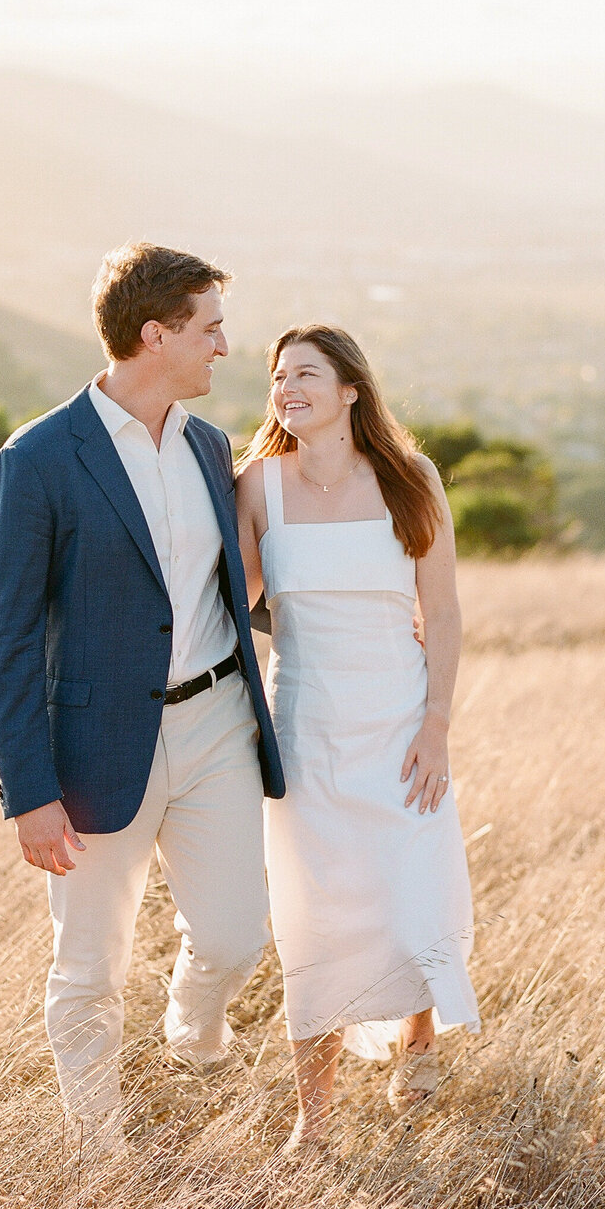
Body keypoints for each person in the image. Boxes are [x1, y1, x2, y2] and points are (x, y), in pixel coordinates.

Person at [0, 243, 284, 1152]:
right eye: (210, 329)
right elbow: (6, 640)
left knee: (234, 939)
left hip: (219, 721)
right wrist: (28, 793)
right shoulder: (36, 460)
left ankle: (192, 1037)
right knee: (91, 963)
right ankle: (97, 1148)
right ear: (156, 335)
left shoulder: (208, 445)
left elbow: (229, 589)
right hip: (98, 745)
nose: (224, 347)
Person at [236, 325, 480, 1151]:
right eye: (277, 378)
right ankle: (316, 1119)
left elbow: (441, 613)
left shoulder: (413, 482)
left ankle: (417, 1050)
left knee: (412, 889)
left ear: (350, 390)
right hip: (304, 726)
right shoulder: (257, 488)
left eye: (306, 372)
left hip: (401, 723)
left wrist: (437, 725)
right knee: (315, 913)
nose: (286, 387)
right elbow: (230, 605)